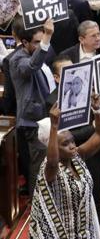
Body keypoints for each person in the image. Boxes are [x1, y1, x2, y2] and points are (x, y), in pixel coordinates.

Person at [29, 97, 100, 239]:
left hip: (83, 232)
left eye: (72, 140)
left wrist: (97, 110)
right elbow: (52, 161)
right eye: (65, 144)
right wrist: (53, 126)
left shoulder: (77, 156)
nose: (72, 146)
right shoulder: (49, 169)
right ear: (52, 146)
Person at [10, 18, 55, 196]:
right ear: (24, 42)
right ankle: (36, 203)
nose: (41, 45)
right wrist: (47, 37)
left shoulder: (32, 52)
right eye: (36, 42)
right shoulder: (16, 59)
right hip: (32, 120)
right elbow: (31, 66)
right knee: (38, 165)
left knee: (47, 161)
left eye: (41, 41)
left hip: (45, 115)